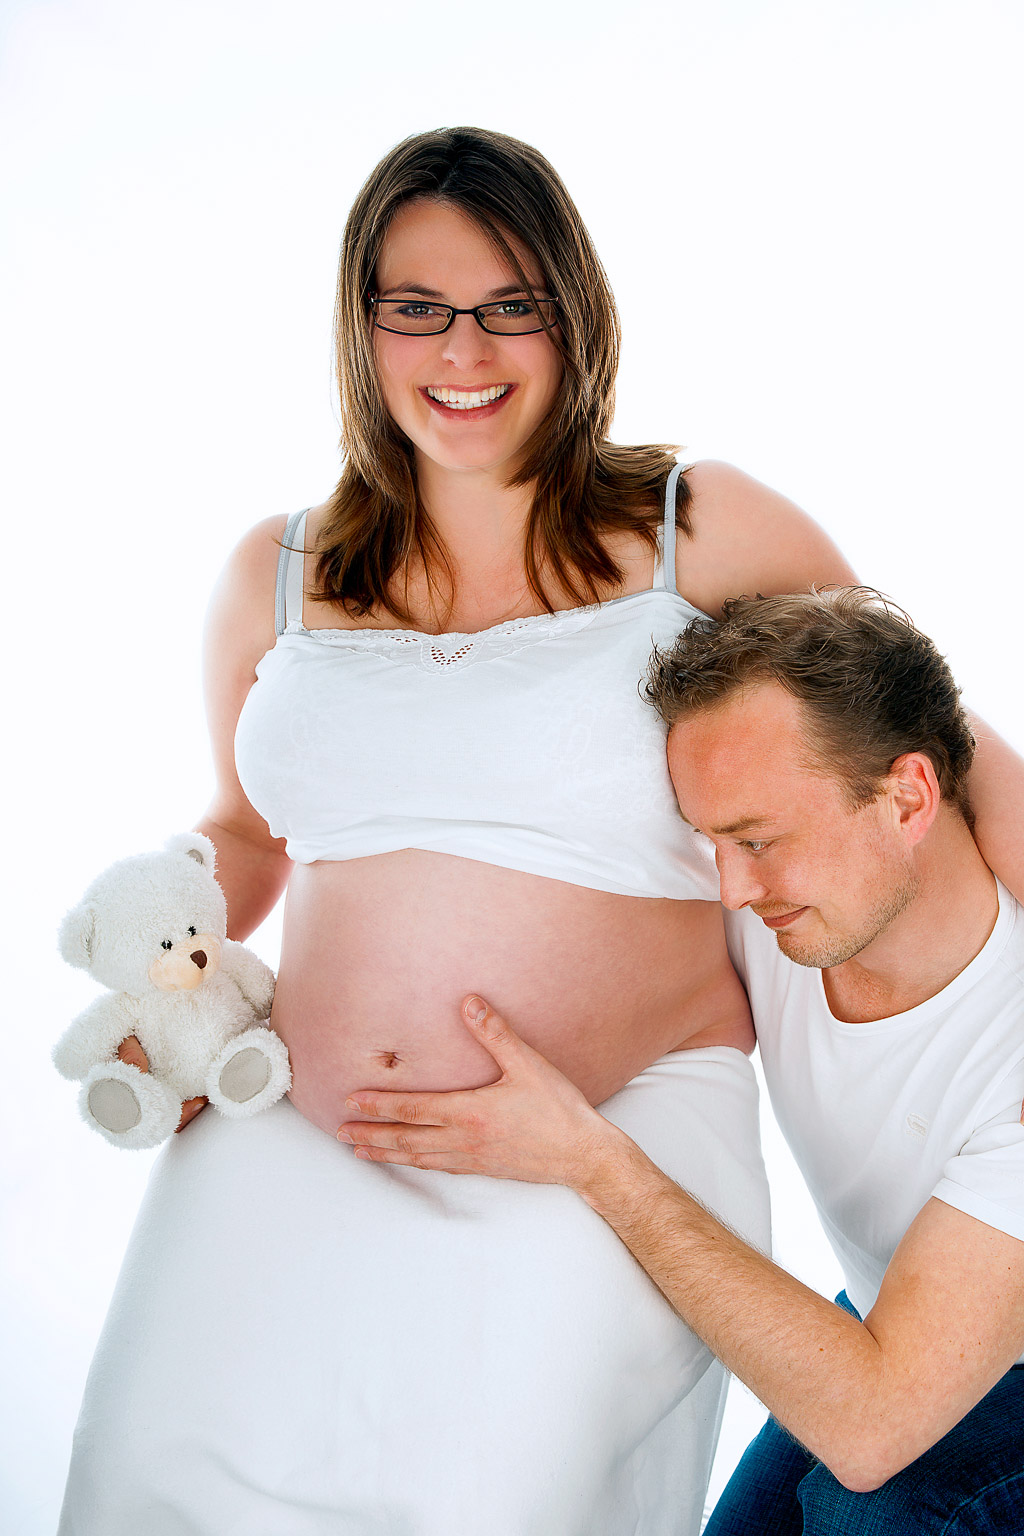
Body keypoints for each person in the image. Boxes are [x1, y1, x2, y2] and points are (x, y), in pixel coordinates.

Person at [57, 126, 1022, 1535]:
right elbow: (248, 832)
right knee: (158, 1477)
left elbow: (931, 744)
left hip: (598, 1130)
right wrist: (175, 961)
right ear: (361, 326)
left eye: (512, 304)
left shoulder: (700, 527)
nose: (465, 349)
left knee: (495, 1498)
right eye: (418, 307)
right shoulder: (277, 569)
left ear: (574, 318)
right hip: (288, 1127)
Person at [339, 587, 1024, 1533]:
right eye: (713, 842)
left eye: (758, 841)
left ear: (907, 797)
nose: (733, 890)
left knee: (863, 1503)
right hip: (903, 1314)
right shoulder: (797, 907)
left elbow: (871, 1426)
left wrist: (596, 1162)